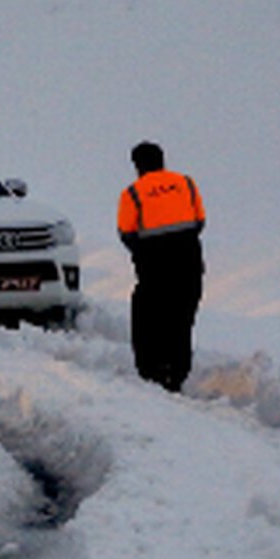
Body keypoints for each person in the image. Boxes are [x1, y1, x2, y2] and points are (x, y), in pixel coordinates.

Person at [117, 141, 206, 392]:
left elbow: (126, 232)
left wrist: (145, 253)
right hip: (189, 262)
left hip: (154, 267)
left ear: (137, 165)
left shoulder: (132, 194)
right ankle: (177, 373)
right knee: (181, 318)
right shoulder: (186, 184)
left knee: (148, 318)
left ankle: (152, 371)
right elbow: (199, 220)